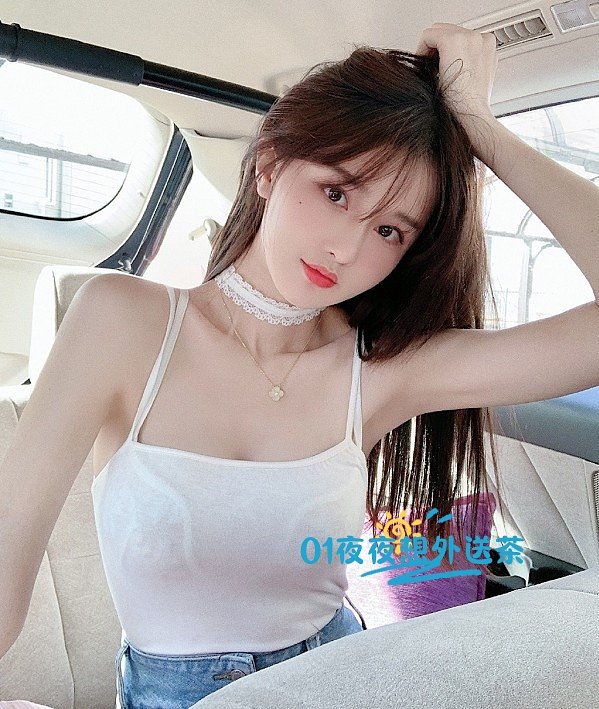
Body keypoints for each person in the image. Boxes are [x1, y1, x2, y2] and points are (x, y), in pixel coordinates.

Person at [1, 22, 598, 709]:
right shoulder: (121, 320)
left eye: (389, 230)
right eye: (337, 192)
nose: (346, 248)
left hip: (336, 680)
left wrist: (482, 131)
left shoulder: (383, 369)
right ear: (268, 164)